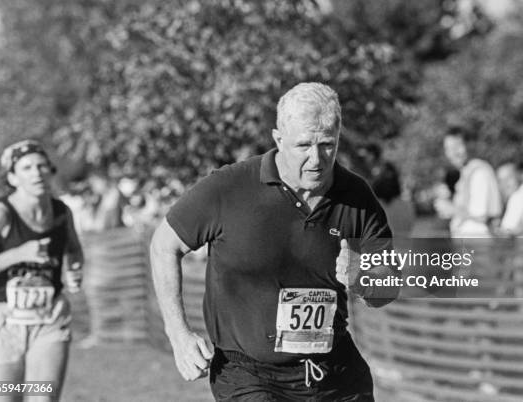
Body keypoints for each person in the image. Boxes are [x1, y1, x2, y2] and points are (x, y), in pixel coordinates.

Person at [150, 83, 396, 401]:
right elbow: (163, 246)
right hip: (248, 375)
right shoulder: (228, 188)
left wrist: (361, 278)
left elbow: (387, 287)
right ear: (278, 140)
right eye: (303, 145)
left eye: (327, 145)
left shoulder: (357, 197)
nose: (317, 158)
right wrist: (178, 334)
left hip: (332, 373)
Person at [0, 140, 83, 401]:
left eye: (42, 166)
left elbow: (73, 250)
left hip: (49, 317)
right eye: (27, 167)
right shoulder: (0, 215)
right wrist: (19, 254)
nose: (36, 173)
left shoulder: (62, 212)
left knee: (43, 396)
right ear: (12, 177)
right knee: (7, 397)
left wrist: (74, 270)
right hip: (3, 321)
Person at [434, 128, 502, 237]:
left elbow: (481, 217)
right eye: (448, 149)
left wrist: (450, 208)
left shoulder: (479, 174)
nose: (452, 153)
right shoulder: (466, 173)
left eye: (457, 147)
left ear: (470, 145)